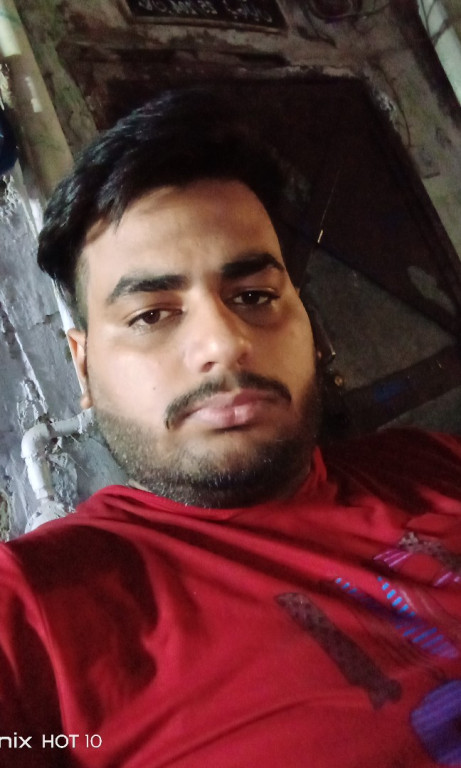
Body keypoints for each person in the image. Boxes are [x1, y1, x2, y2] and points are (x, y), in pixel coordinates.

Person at [0, 88, 461, 768]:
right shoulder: (36, 611)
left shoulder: (432, 466)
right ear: (85, 366)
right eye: (152, 314)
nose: (225, 342)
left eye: (253, 296)